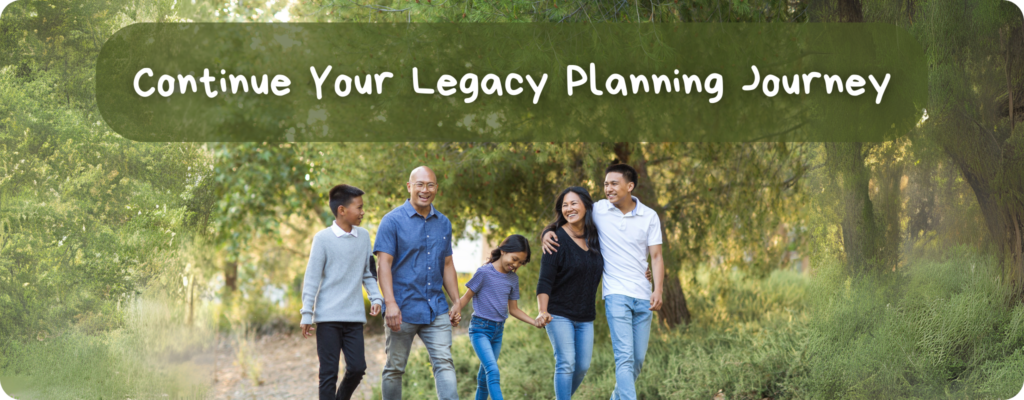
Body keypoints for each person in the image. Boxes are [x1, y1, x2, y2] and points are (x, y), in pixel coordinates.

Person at [542, 164, 665, 400]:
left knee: (637, 359)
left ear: (630, 186)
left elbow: (657, 256)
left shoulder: (649, 216)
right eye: (605, 184)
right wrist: (548, 232)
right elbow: (570, 218)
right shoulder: (598, 209)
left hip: (643, 294)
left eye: (614, 184)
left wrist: (657, 289)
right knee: (624, 356)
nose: (608, 188)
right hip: (616, 293)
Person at [375, 166, 462, 400]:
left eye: (430, 185)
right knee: (394, 368)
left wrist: (456, 301)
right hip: (401, 309)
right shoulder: (391, 221)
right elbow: (384, 264)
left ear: (436, 188)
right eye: (420, 184)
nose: (425, 190)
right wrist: (390, 303)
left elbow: (446, 264)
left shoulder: (443, 223)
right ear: (409, 187)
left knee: (444, 363)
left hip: (436, 308)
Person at [299, 184, 383, 400]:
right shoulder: (322, 239)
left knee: (357, 368)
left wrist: (376, 296)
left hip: (353, 317)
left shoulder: (364, 237)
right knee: (328, 374)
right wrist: (306, 313)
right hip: (328, 319)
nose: (363, 212)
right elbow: (312, 278)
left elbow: (368, 273)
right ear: (342, 210)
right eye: (359, 207)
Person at [535, 187, 605, 400]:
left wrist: (643, 272)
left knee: (582, 366)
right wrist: (542, 311)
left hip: (585, 316)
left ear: (586, 205)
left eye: (574, 203)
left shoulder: (596, 238)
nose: (569, 208)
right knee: (566, 362)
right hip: (558, 314)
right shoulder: (555, 239)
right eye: (565, 205)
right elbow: (545, 280)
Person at [457, 234, 544, 400]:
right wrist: (454, 312)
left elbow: (514, 309)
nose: (516, 265)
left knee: (484, 379)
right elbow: (466, 297)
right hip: (480, 330)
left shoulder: (513, 279)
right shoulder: (484, 272)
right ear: (504, 251)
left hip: (498, 332)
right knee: (492, 370)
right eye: (515, 259)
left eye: (520, 263)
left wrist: (534, 322)